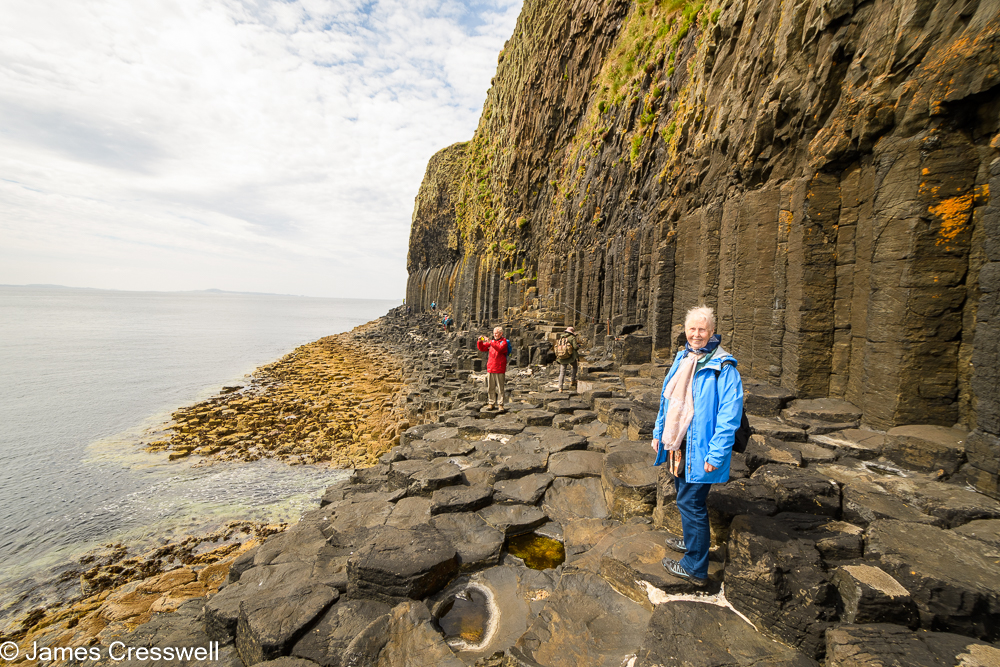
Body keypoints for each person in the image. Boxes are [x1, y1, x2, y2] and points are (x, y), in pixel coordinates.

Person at [651, 305, 743, 587]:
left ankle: (695, 568)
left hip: (701, 449)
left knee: (691, 502)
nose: (697, 334)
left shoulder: (724, 367)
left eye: (702, 329)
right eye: (692, 329)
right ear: (686, 330)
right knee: (685, 498)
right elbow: (668, 397)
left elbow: (730, 416)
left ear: (712, 332)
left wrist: (716, 454)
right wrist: (658, 431)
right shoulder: (683, 357)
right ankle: (693, 541)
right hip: (679, 444)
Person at [477, 326, 511, 411]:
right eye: (494, 333)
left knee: (500, 388)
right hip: (491, 367)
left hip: (499, 367)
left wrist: (490, 341)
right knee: (490, 387)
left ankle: (500, 404)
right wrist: (479, 341)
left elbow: (499, 349)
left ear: (501, 333)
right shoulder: (491, 343)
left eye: (496, 333)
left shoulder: (504, 342)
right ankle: (491, 403)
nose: (494, 335)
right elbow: (482, 348)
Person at [554, 326, 579, 392]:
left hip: (562, 356)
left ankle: (560, 388)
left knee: (562, 372)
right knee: (575, 366)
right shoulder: (572, 338)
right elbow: (575, 347)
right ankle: (573, 380)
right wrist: (578, 346)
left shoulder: (561, 337)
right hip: (571, 357)